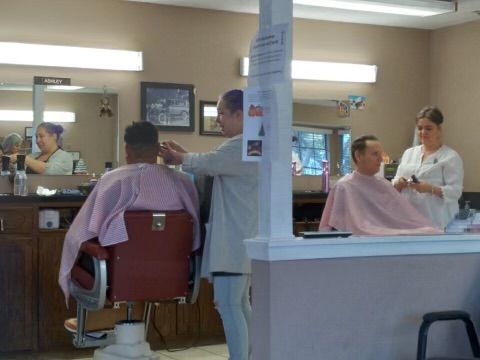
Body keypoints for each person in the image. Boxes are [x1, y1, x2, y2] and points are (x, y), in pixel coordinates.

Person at [159, 89, 258, 360]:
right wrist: (183, 155)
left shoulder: (243, 144)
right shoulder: (250, 144)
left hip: (235, 238)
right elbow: (212, 164)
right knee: (239, 303)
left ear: (239, 114)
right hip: (242, 236)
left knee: (228, 304)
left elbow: (211, 163)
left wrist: (178, 157)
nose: (218, 120)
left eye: (221, 114)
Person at [58, 121, 201, 302]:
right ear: (158, 149)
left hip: (118, 275)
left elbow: (80, 234)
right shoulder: (183, 182)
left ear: (126, 149)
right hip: (172, 274)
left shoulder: (113, 180)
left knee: (78, 249)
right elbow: (194, 232)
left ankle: (88, 326)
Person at [319, 135, 441, 235]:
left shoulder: (384, 185)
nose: (380, 159)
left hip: (385, 234)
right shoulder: (343, 187)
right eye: (375, 154)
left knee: (429, 231)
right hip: (360, 239)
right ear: (358, 156)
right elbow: (334, 226)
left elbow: (404, 216)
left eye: (380, 154)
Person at [393, 106, 463, 229]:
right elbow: (395, 183)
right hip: (409, 221)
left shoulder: (450, 157)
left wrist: (430, 188)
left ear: (439, 128)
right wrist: (399, 183)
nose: (423, 132)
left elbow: (455, 191)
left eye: (428, 128)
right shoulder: (409, 153)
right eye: (419, 128)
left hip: (437, 222)